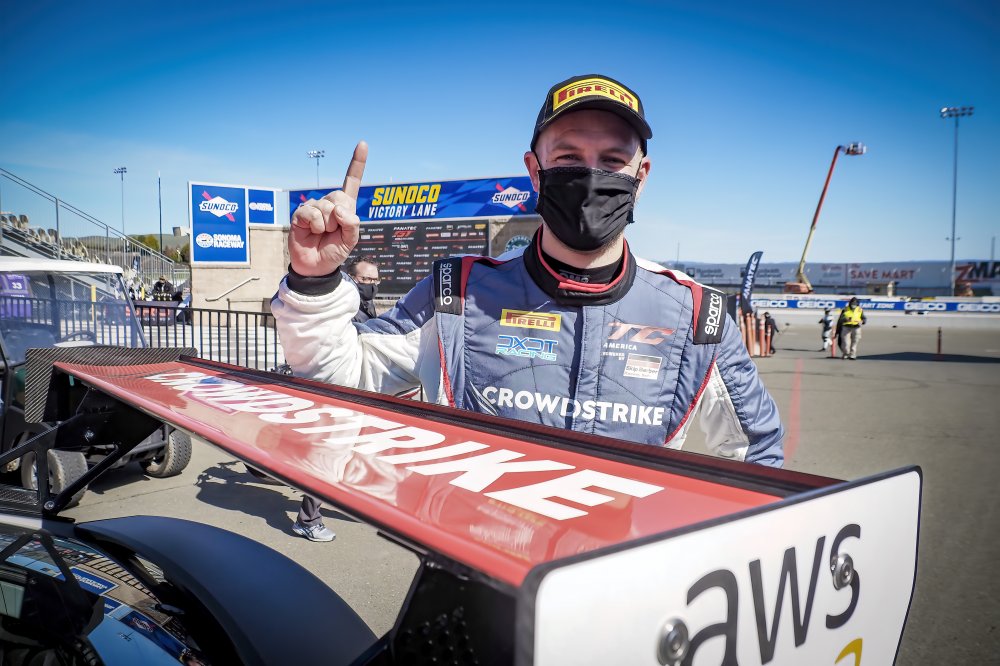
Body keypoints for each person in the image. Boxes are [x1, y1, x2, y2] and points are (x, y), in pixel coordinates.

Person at [273, 73, 784, 468]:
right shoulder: (455, 294)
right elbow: (340, 378)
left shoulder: (698, 314)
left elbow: (757, 457)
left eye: (612, 160)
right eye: (568, 156)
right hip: (477, 566)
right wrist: (314, 281)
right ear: (534, 171)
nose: (590, 176)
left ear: (641, 176)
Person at [292, 257, 381, 542]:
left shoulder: (365, 304)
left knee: (352, 453)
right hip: (335, 392)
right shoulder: (343, 304)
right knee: (328, 454)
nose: (372, 285)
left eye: (375, 280)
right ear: (352, 278)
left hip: (356, 391)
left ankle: (350, 499)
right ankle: (307, 520)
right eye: (367, 279)